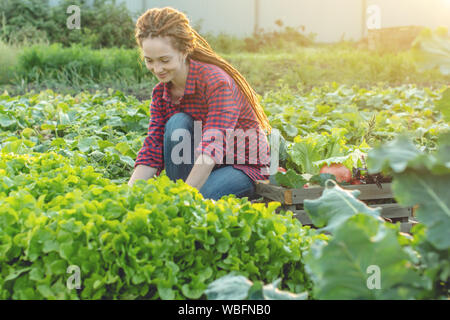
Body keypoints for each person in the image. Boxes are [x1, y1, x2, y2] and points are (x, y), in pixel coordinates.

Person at [127, 7, 271, 201]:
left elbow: (214, 143)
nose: (157, 68)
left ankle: (186, 196)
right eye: (149, 61)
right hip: (198, 165)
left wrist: (185, 197)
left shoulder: (216, 82)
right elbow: (153, 147)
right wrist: (128, 193)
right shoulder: (161, 94)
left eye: (164, 60)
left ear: (184, 51)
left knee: (198, 199)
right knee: (177, 123)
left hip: (241, 166)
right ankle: (184, 194)